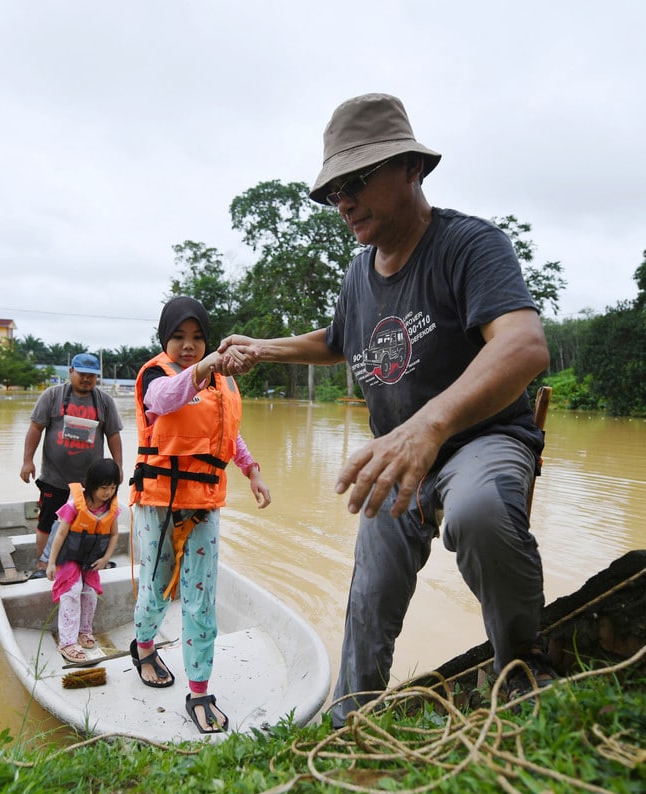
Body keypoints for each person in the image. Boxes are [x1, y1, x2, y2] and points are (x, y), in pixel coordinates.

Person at [219, 93, 556, 726]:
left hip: (479, 441)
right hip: (398, 458)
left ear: (411, 169)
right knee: (370, 593)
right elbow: (338, 341)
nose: (342, 200)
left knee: (480, 511)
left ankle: (521, 666)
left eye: (356, 180)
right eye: (332, 191)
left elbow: (523, 345)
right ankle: (351, 718)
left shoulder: (469, 246)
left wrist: (428, 426)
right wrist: (264, 349)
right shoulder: (356, 274)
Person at [128, 296, 271, 734]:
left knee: (200, 600)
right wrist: (205, 365)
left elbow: (228, 433)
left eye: (197, 338)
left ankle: (199, 691)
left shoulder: (220, 383)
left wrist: (252, 470)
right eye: (179, 337)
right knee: (155, 590)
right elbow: (167, 401)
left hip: (205, 503)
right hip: (159, 503)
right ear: (164, 340)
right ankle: (145, 645)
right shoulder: (157, 375)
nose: (188, 346)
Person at [20, 352, 124, 577]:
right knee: (48, 521)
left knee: (94, 522)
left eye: (92, 376)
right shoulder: (52, 395)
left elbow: (113, 435)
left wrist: (118, 467)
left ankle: (93, 560)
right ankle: (43, 564)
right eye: (82, 374)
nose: (87, 379)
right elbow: (35, 428)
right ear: (71, 372)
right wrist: (27, 461)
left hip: (91, 483)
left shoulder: (104, 401)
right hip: (55, 477)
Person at [46, 458, 122, 662]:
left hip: (91, 557)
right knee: (73, 590)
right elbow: (60, 535)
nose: (108, 492)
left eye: (113, 487)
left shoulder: (110, 509)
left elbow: (114, 535)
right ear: (92, 485)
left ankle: (84, 631)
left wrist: (106, 558)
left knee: (89, 593)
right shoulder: (74, 506)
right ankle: (67, 643)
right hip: (69, 555)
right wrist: (51, 563)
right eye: (104, 487)